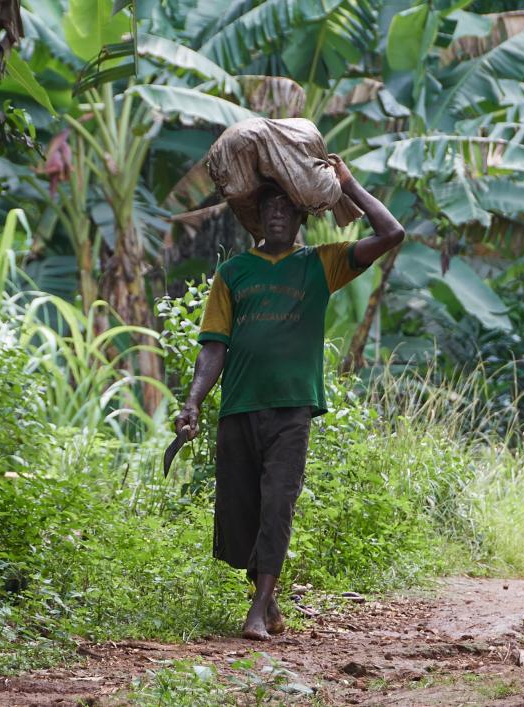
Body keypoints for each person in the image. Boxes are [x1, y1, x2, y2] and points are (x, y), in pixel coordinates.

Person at [174, 157, 404, 641]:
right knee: (242, 515)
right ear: (257, 218)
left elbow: (391, 233)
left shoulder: (320, 264)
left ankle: (257, 610)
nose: (277, 213)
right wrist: (194, 401)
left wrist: (348, 185)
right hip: (238, 406)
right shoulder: (234, 273)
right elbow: (214, 346)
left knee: (278, 503)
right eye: (269, 206)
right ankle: (268, 598)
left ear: (301, 217)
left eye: (287, 206)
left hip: (292, 408)